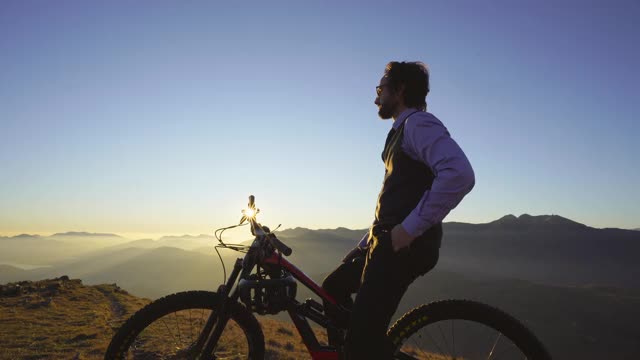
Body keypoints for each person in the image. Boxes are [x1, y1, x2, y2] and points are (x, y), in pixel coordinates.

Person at [321, 61, 475, 359]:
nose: (376, 97)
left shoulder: (418, 123)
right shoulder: (402, 129)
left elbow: (459, 174)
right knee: (333, 288)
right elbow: (398, 198)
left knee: (360, 345)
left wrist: (408, 230)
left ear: (400, 89)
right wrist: (365, 244)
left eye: (381, 89)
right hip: (386, 242)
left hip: (401, 247)